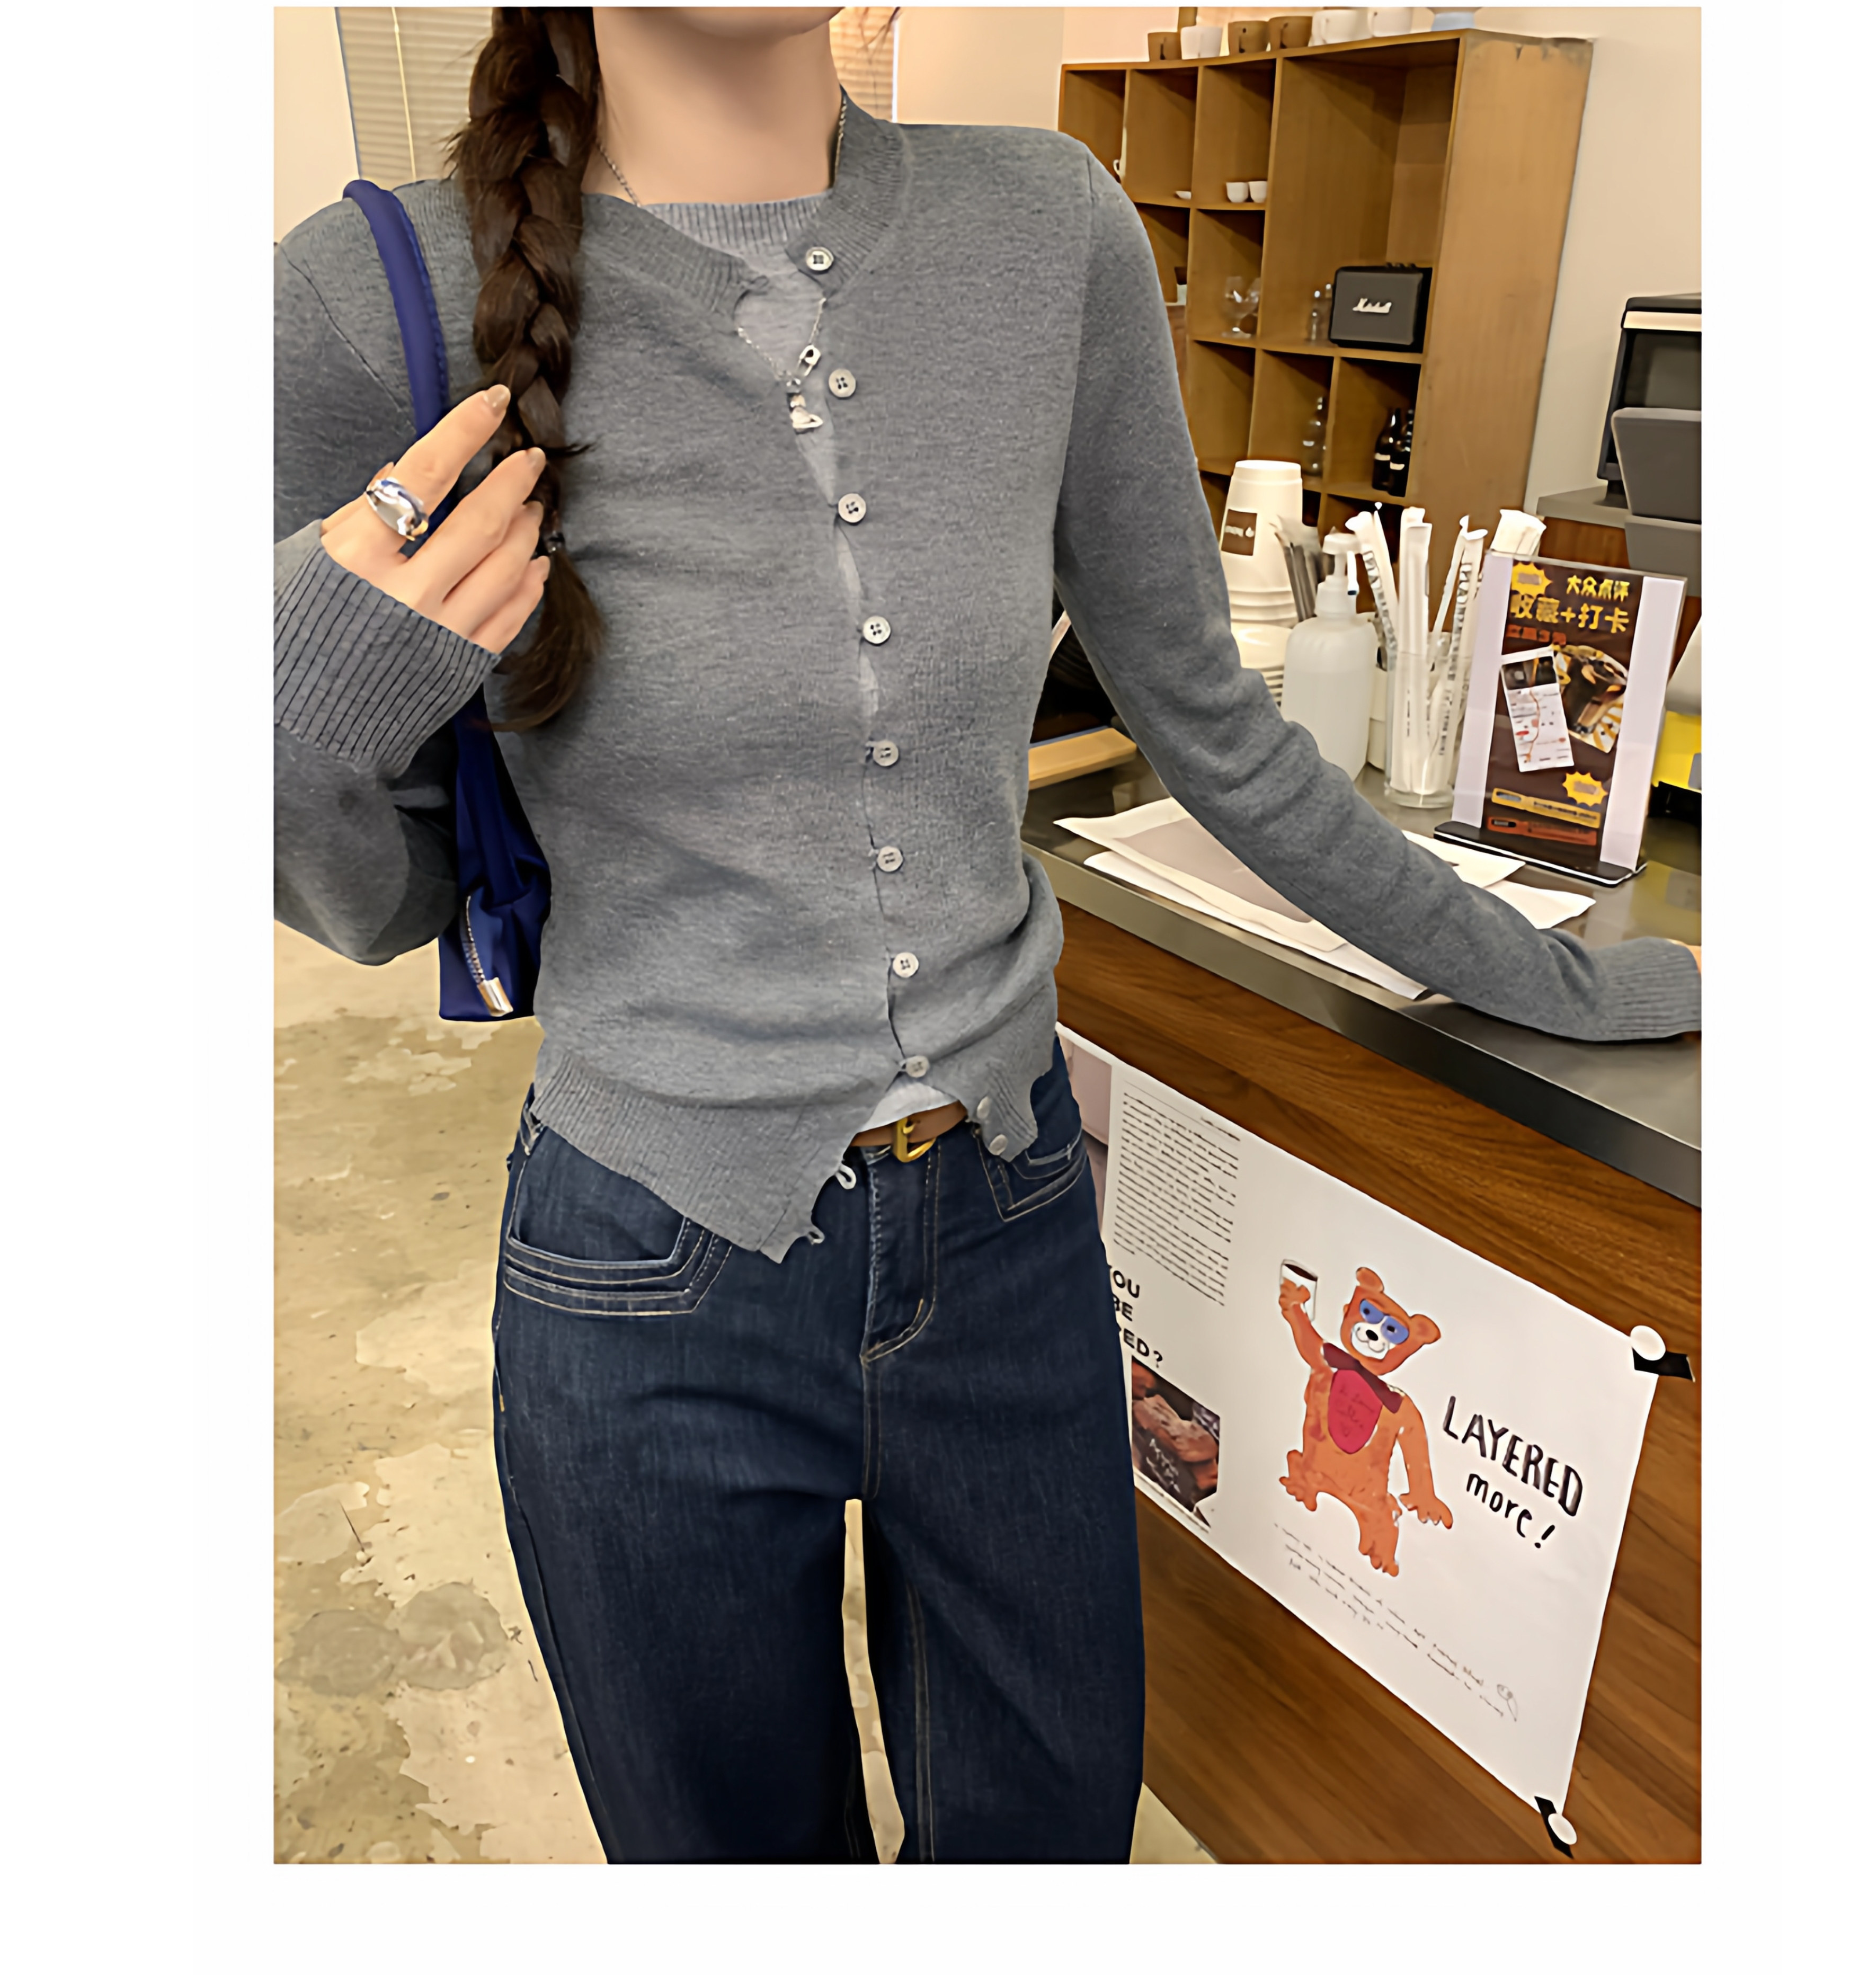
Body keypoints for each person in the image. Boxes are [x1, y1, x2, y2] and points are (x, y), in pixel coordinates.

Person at [274, 7, 1701, 1863]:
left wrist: (1581, 984)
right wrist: (295, 705)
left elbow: (1218, 728)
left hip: (1013, 1219)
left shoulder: (1047, 226)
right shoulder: (365, 298)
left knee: (1049, 1840)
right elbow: (375, 896)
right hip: (646, 1258)